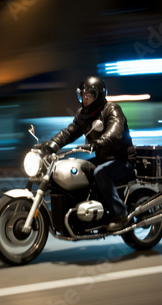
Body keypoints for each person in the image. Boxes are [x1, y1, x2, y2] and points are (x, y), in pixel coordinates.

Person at [40, 76, 136, 231]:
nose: (84, 99)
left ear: (98, 95)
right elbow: (70, 132)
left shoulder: (112, 109)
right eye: (82, 95)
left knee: (101, 173)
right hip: (103, 158)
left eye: (88, 95)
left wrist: (99, 142)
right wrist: (53, 144)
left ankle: (121, 215)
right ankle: (85, 213)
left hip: (122, 158)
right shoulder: (83, 114)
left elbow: (114, 132)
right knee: (81, 169)